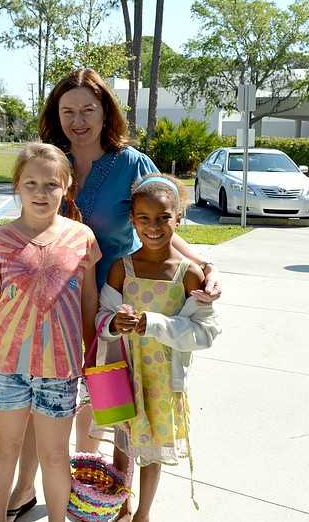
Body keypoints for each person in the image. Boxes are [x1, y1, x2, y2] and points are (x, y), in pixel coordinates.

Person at [4, 68, 222, 517]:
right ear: (56, 115)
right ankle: (25, 489)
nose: (78, 120)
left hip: (111, 304)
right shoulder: (51, 159)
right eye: (68, 111)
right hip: (50, 303)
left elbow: (163, 218)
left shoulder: (133, 164)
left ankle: (90, 496)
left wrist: (204, 266)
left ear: (106, 112)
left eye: (88, 109)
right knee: (38, 399)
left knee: (101, 401)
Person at [0, 143, 100, 522]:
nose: (40, 193)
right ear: (17, 186)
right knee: (4, 449)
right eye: (30, 184)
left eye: (51, 184)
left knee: (56, 457)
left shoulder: (83, 238)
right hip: (5, 370)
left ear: (67, 188)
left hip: (61, 370)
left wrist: (92, 359)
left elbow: (88, 300)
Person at [94, 173, 221, 522]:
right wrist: (114, 323)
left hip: (163, 379)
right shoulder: (122, 269)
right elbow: (102, 316)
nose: (153, 227)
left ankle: (143, 514)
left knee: (152, 447)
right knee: (123, 442)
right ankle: (122, 507)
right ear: (133, 220)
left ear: (178, 219)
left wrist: (155, 324)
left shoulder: (189, 275)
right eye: (144, 218)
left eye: (163, 218)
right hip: (123, 374)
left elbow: (206, 332)